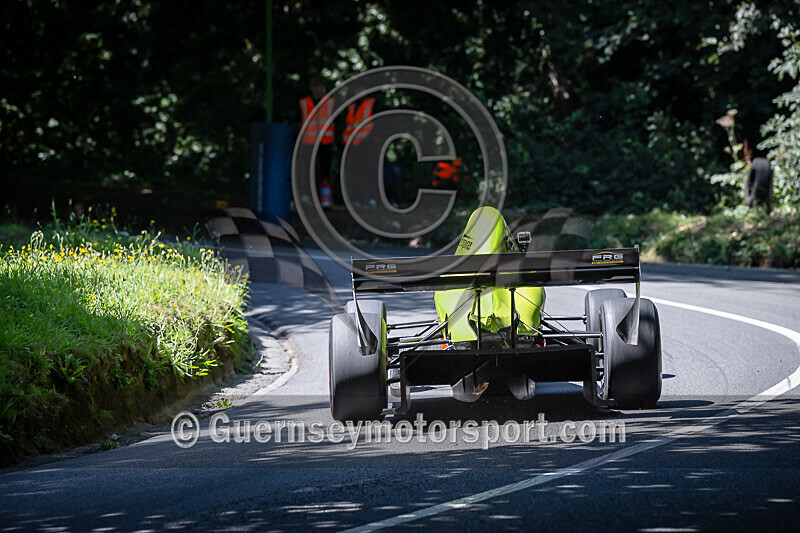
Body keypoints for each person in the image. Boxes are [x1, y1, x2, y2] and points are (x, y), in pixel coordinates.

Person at [297, 75, 334, 207]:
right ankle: (307, 198)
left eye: (319, 86)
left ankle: (325, 198)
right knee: (308, 171)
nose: (317, 89)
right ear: (311, 87)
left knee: (325, 172)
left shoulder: (330, 103)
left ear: (323, 87)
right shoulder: (303, 103)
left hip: (325, 142)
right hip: (309, 142)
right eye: (315, 86)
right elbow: (298, 121)